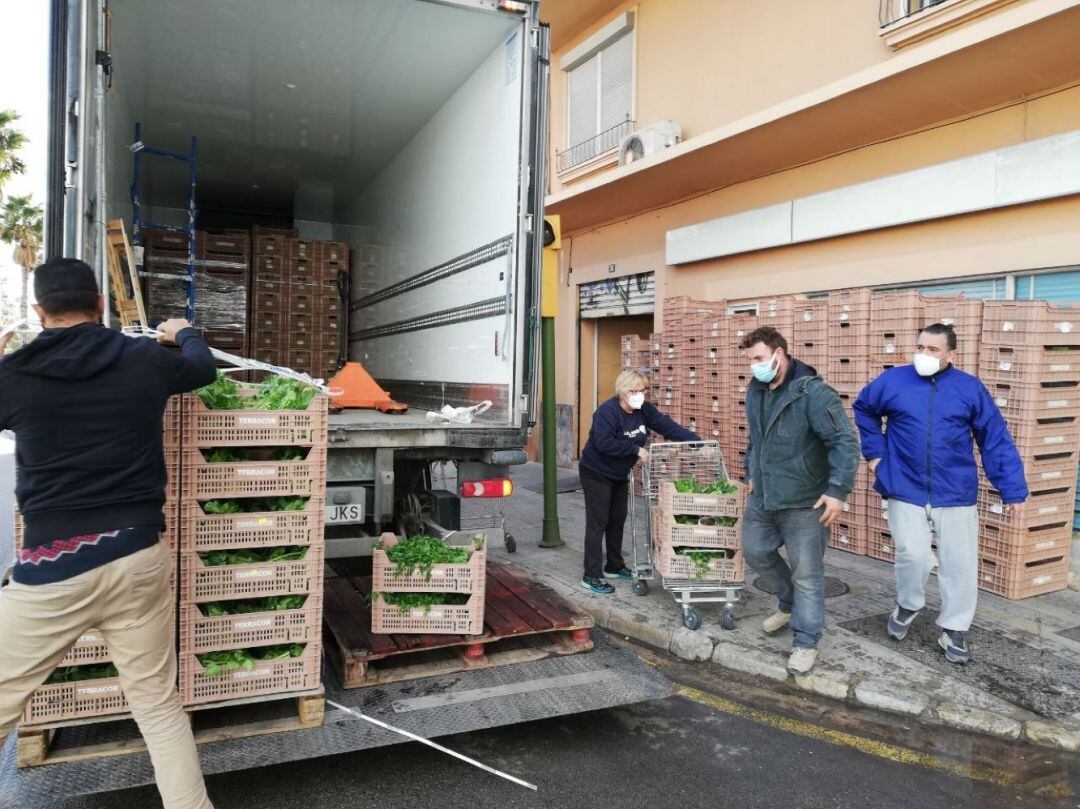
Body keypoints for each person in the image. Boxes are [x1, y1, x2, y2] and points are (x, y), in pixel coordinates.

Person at [0, 258, 217, 809]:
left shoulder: (15, 374)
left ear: (38, 312)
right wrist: (181, 331)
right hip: (139, 554)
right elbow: (201, 368)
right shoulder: (142, 358)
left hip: (53, 568)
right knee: (158, 705)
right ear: (100, 306)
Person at [853, 323, 1027, 664]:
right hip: (904, 485)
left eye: (933, 350)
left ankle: (954, 628)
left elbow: (994, 438)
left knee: (959, 564)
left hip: (955, 490)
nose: (924, 355)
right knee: (913, 554)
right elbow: (864, 409)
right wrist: (875, 456)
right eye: (921, 347)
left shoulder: (969, 389)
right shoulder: (894, 381)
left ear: (951, 355)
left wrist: (1012, 489)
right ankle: (909, 603)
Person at [740, 326, 860, 676]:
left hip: (806, 501)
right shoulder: (756, 390)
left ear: (780, 353)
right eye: (750, 360)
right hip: (764, 497)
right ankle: (790, 604)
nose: (754, 366)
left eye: (759, 358)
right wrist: (752, 472)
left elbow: (844, 443)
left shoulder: (813, 394)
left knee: (807, 573)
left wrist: (838, 490)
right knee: (755, 552)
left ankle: (805, 640)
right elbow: (756, 439)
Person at [578, 370, 700, 595]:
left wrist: (696, 441)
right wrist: (635, 449)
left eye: (642, 390)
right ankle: (591, 575)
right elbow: (603, 442)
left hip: (618, 473)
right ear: (622, 392)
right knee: (598, 522)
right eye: (633, 391)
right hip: (596, 472)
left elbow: (665, 425)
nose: (639, 395)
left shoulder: (644, 410)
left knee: (617, 519)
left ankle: (614, 566)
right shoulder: (607, 412)